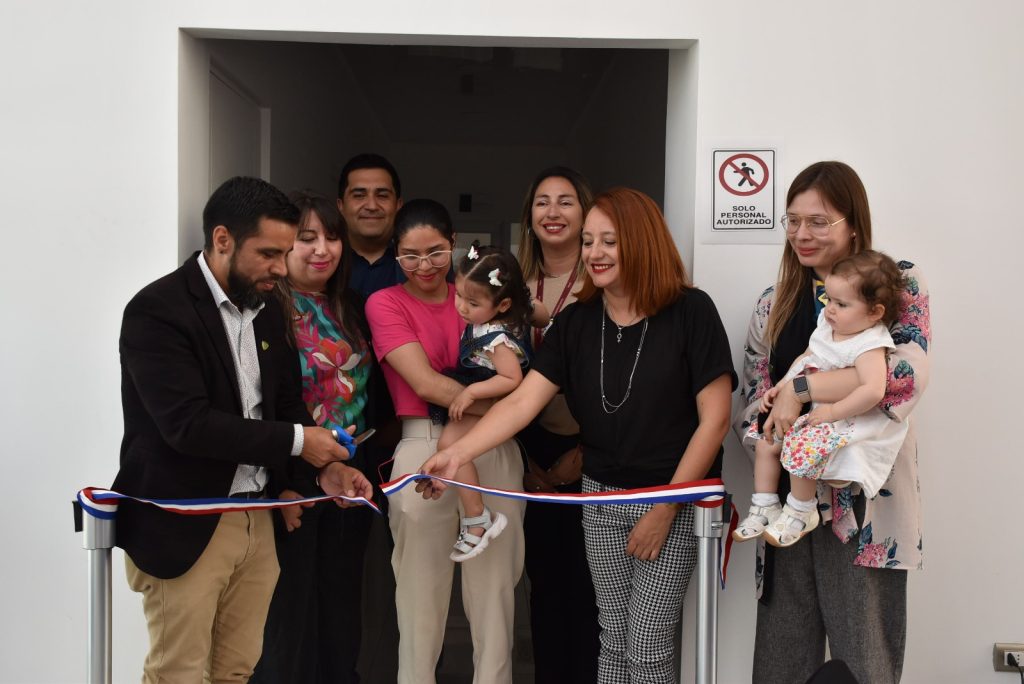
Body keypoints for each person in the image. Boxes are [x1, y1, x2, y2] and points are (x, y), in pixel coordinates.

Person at [413, 188, 736, 683]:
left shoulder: (691, 311)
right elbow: (521, 402)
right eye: (589, 241)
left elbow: (715, 419)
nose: (595, 253)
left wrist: (666, 506)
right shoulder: (577, 321)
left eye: (610, 240)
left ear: (643, 242)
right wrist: (455, 456)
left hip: (672, 497)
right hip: (599, 495)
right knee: (611, 636)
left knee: (647, 645)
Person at [111, 176, 371, 683]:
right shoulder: (157, 311)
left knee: (237, 672)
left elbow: (285, 406)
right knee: (179, 674)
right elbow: (188, 426)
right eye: (269, 253)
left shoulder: (269, 308)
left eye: (285, 252)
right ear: (222, 239)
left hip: (259, 517)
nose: (281, 267)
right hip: (187, 523)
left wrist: (324, 472)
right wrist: (302, 441)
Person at [732, 161, 931, 684]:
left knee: (865, 665)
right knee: (780, 664)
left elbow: (898, 381)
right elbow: (752, 402)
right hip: (787, 505)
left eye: (818, 221)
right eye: (792, 220)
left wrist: (800, 391)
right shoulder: (774, 303)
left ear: (853, 226)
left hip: (861, 509)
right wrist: (776, 436)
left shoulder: (898, 283)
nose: (801, 233)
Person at [362, 199, 526, 682]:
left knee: (496, 593)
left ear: (452, 245)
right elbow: (426, 384)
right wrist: (506, 405)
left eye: (434, 252)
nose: (423, 265)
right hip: (424, 443)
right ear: (396, 254)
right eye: (409, 255)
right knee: (417, 596)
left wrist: (504, 409)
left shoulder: (482, 297)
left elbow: (520, 366)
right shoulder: (386, 302)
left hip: (494, 445)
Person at [252, 191, 376, 683]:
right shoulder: (266, 309)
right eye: (306, 239)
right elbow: (262, 403)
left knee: (340, 613)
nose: (321, 249)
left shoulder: (349, 306)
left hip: (349, 477)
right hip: (290, 480)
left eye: (331, 237)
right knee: (288, 621)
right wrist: (285, 477)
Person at [734, 249, 909, 548]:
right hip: (815, 411)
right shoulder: (829, 327)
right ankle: (764, 506)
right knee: (767, 444)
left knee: (800, 447)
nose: (829, 310)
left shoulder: (870, 343)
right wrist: (782, 388)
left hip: (845, 417)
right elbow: (807, 357)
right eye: (829, 300)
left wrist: (831, 413)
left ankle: (802, 510)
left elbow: (873, 390)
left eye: (842, 304)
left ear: (875, 312)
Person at [514, 166, 600, 683]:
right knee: (544, 589)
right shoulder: (513, 292)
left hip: (594, 450)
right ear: (529, 216)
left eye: (565, 201)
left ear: (585, 214)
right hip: (528, 453)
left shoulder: (601, 284)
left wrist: (586, 453)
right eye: (542, 202)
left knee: (590, 590)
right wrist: (526, 461)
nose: (553, 212)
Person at [436, 245, 547, 562]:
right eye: (459, 296)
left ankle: (477, 519)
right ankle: (477, 518)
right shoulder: (497, 319)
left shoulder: (497, 336)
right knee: (449, 448)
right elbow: (541, 313)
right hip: (484, 390)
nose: (462, 307)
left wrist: (471, 393)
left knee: (449, 447)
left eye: (473, 302)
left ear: (503, 304)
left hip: (494, 397)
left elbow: (512, 380)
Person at [337, 152, 406, 297]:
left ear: (398, 205)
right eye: (359, 195)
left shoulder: (418, 265)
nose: (372, 206)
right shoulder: (323, 260)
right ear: (341, 205)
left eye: (382, 195)